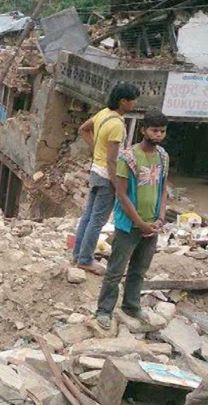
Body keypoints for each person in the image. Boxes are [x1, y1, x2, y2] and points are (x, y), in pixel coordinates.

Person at [95, 110, 169, 330]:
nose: (158, 135)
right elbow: (122, 193)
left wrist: (161, 217)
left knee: (139, 269)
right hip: (129, 225)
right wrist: (139, 222)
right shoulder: (127, 157)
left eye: (162, 131)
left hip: (151, 224)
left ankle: (131, 305)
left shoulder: (163, 156)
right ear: (144, 129)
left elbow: (163, 188)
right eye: (154, 130)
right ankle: (104, 310)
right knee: (116, 270)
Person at [73, 83, 141, 274]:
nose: (135, 103)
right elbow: (112, 160)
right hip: (105, 176)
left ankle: (78, 254)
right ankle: (85, 259)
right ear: (123, 101)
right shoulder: (117, 124)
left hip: (95, 171)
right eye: (133, 100)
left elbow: (83, 129)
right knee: (97, 221)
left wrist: (96, 149)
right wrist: (118, 185)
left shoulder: (103, 113)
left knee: (88, 217)